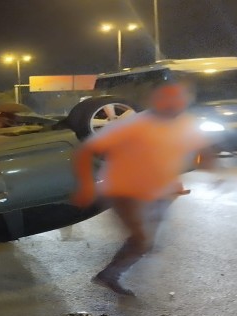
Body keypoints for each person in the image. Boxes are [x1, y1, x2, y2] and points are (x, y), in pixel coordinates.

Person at [71, 82, 217, 297]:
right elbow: (85, 151)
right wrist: (85, 186)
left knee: (145, 241)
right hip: (124, 191)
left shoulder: (187, 123)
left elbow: (202, 148)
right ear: (155, 100)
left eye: (177, 98)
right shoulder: (133, 124)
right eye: (166, 98)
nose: (172, 103)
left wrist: (213, 171)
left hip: (160, 192)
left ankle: (112, 272)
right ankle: (110, 274)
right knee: (143, 240)